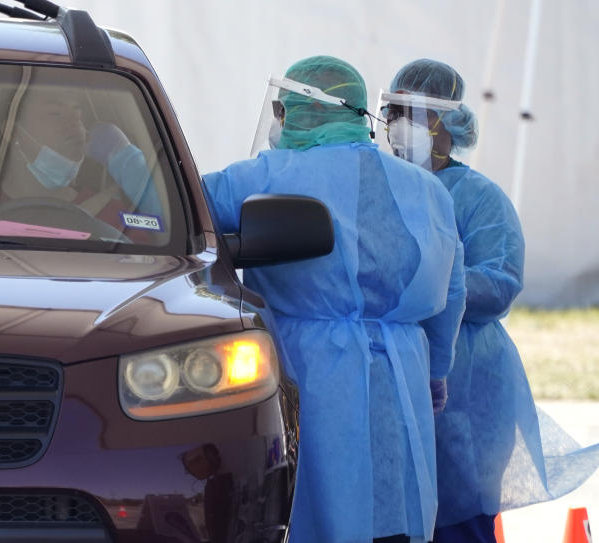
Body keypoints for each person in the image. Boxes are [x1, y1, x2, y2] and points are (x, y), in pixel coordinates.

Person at [203, 55, 466, 543]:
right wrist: (436, 369)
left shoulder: (265, 175)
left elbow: (183, 210)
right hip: (404, 368)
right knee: (394, 507)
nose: (278, 124)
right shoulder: (429, 191)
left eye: (283, 112)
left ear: (302, 111)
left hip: (312, 365)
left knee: (316, 505)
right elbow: (452, 289)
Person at [384, 58, 599, 543]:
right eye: (391, 110)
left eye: (408, 112)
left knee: (461, 518)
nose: (395, 124)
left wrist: (428, 289)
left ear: (443, 123)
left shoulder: (479, 197)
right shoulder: (385, 185)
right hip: (399, 369)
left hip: (467, 379)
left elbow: (499, 282)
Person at [0, 84, 161, 236]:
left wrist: (128, 161)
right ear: (13, 131)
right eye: (54, 114)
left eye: (77, 112)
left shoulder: (120, 219)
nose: (74, 124)